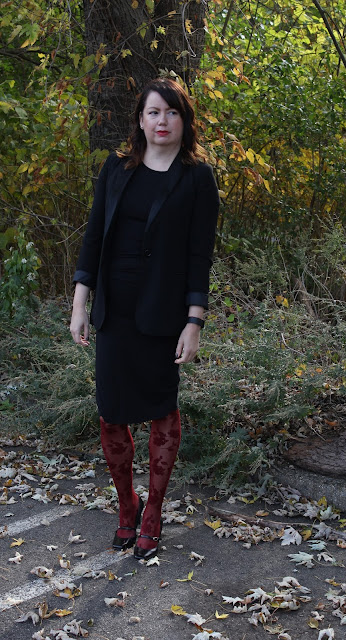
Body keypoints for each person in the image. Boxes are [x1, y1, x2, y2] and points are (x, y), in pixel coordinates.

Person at [70, 77, 220, 560]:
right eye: (154, 112)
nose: (162, 121)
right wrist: (80, 303)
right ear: (140, 119)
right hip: (114, 310)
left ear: (184, 120)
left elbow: (199, 255)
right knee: (112, 411)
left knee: (160, 408)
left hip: (163, 313)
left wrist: (194, 321)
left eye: (172, 112)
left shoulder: (198, 178)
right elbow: (94, 236)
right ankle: (126, 505)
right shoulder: (117, 169)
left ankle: (153, 511)